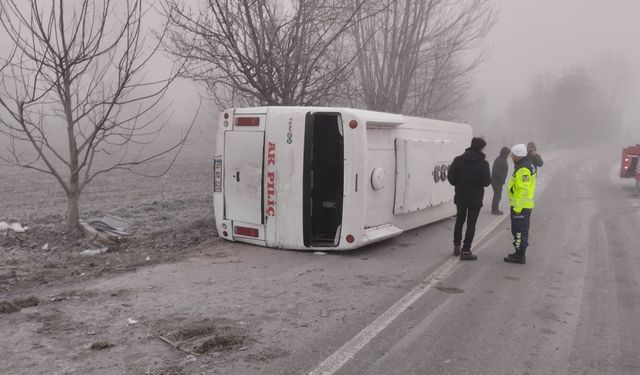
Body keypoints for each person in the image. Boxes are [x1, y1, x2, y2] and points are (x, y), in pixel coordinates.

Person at [447, 137, 491, 261]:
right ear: (481, 148)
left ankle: (456, 245)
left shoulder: (458, 160)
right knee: (471, 224)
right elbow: (486, 182)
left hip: (460, 196)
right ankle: (466, 251)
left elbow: (451, 178)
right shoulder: (483, 164)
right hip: (475, 199)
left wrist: (459, 184)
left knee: (459, 221)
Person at [504, 144, 537, 264]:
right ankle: (518, 252)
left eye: (513, 155)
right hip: (520, 205)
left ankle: (520, 255)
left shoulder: (523, 169)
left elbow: (524, 190)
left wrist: (518, 207)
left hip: (521, 207)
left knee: (519, 231)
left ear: (518, 155)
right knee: (517, 230)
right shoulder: (522, 165)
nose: (511, 157)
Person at [490, 147, 511, 215]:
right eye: (508, 154)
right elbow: (496, 172)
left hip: (497, 181)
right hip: (496, 181)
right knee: (497, 196)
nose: (508, 155)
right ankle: (495, 210)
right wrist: (502, 179)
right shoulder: (500, 160)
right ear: (505, 153)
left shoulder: (501, 159)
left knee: (497, 195)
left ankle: (494, 209)